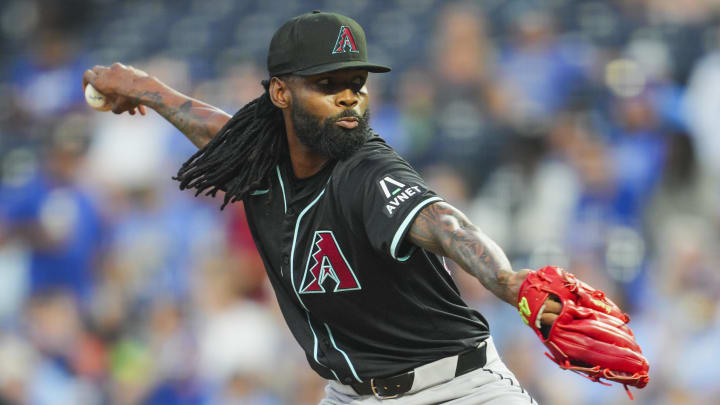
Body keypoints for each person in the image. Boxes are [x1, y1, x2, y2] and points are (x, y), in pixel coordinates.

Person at [83, 11, 560, 404]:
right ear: (281, 93)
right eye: (328, 83)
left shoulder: (369, 170)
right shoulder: (261, 161)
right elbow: (218, 130)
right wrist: (147, 88)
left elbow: (447, 226)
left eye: (357, 81)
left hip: (457, 389)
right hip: (349, 395)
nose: (349, 96)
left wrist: (507, 279)